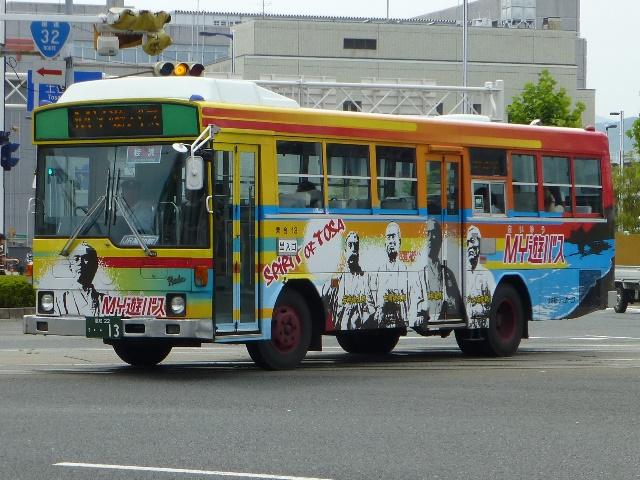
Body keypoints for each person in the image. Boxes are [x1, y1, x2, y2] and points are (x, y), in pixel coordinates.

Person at [321, 231, 375, 330]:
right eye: (350, 245)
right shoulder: (338, 279)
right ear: (345, 251)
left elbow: (371, 310)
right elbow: (325, 298)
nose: (353, 249)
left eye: (356, 246)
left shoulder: (364, 279)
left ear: (358, 251)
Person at [415, 219, 463, 327]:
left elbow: (455, 304)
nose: (431, 238)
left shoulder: (448, 274)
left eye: (434, 234)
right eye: (427, 233)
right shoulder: (418, 273)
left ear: (440, 239)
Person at [370, 222, 412, 328]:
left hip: (401, 320)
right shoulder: (379, 270)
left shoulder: (406, 270)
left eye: (393, 237)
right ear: (385, 243)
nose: (391, 241)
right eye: (388, 237)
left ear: (399, 241)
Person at [57, 242, 104, 316]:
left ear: (95, 265)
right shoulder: (60, 300)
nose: (80, 263)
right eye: (76, 259)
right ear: (70, 266)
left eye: (86, 258)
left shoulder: (105, 300)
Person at [465, 225, 495, 329]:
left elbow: (491, 306)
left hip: (481, 323)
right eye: (468, 242)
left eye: (473, 241)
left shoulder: (487, 276)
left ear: (479, 246)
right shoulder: (462, 275)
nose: (470, 246)